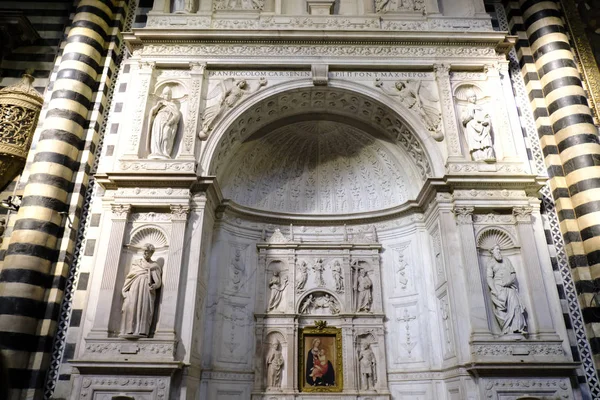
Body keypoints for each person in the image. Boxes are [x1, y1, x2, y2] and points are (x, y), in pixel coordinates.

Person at [121, 243, 162, 337]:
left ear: (151, 253)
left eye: (147, 251)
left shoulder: (154, 266)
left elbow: (158, 281)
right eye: (144, 250)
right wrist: (125, 289)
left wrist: (154, 286)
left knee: (144, 308)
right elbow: (130, 276)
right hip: (135, 286)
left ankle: (142, 330)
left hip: (146, 290)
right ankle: (129, 330)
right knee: (132, 306)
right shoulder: (137, 262)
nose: (145, 253)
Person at [486, 245, 527, 335]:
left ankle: (518, 327)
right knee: (501, 309)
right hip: (498, 288)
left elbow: (513, 273)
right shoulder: (491, 263)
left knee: (516, 306)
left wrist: (509, 281)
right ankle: (507, 329)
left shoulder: (506, 260)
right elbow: (489, 278)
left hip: (510, 287)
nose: (499, 251)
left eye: (499, 249)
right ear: (492, 251)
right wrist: (494, 290)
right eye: (497, 249)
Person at [462, 89, 495, 162]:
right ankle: (478, 156)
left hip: (482, 126)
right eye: (471, 97)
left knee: (486, 140)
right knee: (475, 143)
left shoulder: (480, 107)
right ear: (468, 99)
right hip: (472, 126)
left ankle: (488, 156)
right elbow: (463, 120)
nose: (473, 98)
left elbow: (486, 116)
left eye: (474, 97)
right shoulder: (466, 108)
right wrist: (470, 117)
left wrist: (486, 121)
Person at [148, 86, 180, 159]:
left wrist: (170, 122)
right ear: (162, 95)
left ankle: (165, 151)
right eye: (166, 94)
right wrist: (158, 106)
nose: (167, 96)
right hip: (158, 121)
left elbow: (176, 115)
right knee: (157, 135)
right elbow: (153, 113)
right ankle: (156, 151)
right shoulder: (160, 104)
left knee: (166, 136)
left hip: (168, 123)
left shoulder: (172, 105)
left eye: (169, 94)